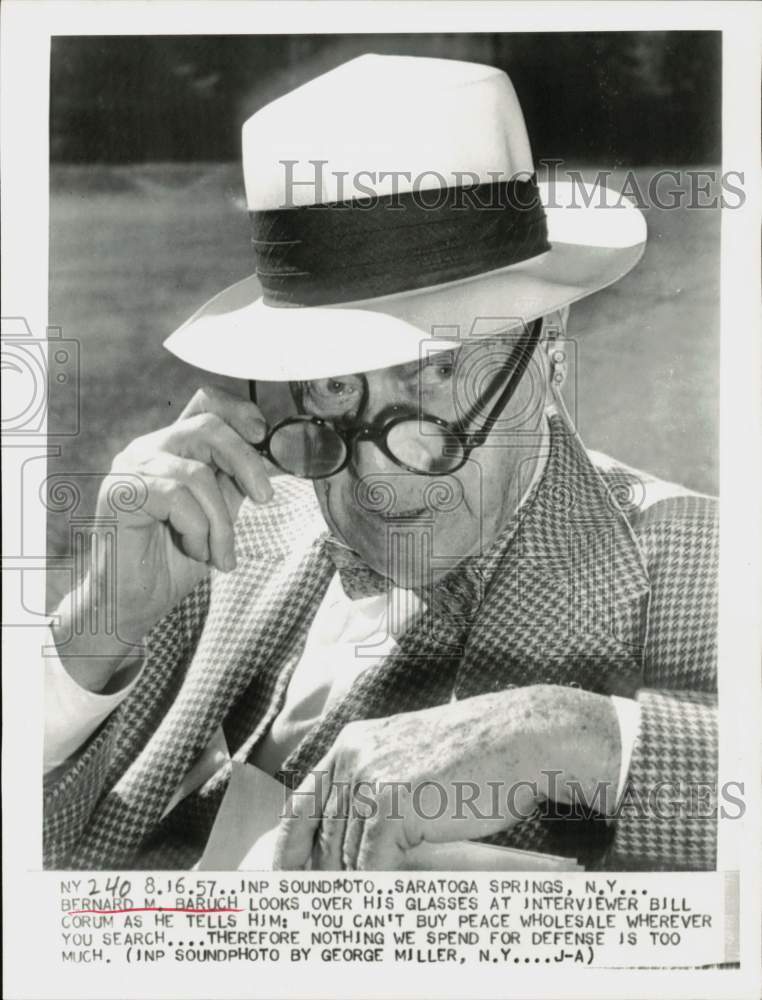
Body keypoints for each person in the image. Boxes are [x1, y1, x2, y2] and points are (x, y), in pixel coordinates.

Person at [44, 54, 718, 871]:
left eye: (437, 370)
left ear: (548, 356)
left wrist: (573, 737)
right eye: (332, 384)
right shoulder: (216, 539)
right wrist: (91, 636)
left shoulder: (706, 569)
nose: (380, 477)